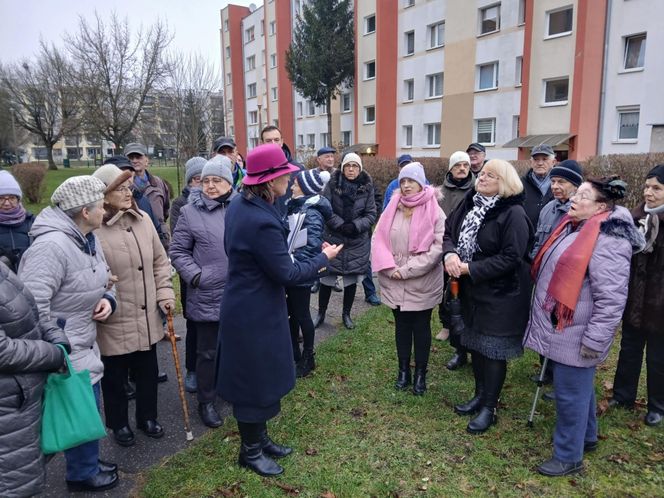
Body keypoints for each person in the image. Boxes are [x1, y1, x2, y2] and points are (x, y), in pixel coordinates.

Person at [216, 143, 341, 477]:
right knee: (252, 381)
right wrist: (322, 260)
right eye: (285, 174)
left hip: (252, 304)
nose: (291, 179)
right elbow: (286, 273)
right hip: (252, 312)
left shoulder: (244, 205)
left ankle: (261, 439)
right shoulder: (258, 219)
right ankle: (250, 451)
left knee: (262, 376)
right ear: (270, 181)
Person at [524, 177, 644, 476]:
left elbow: (612, 297)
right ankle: (587, 437)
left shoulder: (608, 239)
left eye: (583, 196)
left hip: (578, 331)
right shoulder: (575, 225)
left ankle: (568, 457)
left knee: (570, 394)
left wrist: (595, 339)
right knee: (579, 390)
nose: (574, 199)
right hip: (564, 326)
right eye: (576, 194)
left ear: (601, 207)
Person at [19, 175, 119, 492]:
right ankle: (79, 474)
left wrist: (108, 300)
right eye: (101, 205)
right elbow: (30, 306)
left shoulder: (87, 239)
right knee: (76, 408)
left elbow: (105, 281)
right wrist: (56, 346)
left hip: (85, 340)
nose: (106, 209)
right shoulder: (50, 248)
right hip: (64, 348)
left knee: (88, 406)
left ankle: (86, 463)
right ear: (84, 211)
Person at [443, 159, 532, 434]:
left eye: (490, 176)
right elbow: (448, 231)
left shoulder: (513, 213)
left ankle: (489, 408)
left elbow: (512, 257)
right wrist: (450, 254)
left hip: (502, 293)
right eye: (482, 174)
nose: (481, 179)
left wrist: (470, 267)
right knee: (475, 344)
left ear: (504, 184)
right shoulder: (470, 203)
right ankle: (479, 395)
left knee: (492, 350)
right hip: (471, 289)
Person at [91, 164, 175, 448]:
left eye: (129, 187)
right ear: (103, 195)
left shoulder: (144, 221)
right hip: (115, 316)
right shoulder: (94, 230)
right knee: (114, 376)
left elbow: (160, 262)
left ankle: (147, 417)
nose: (128, 193)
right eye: (120, 188)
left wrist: (165, 293)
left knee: (147, 371)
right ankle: (119, 424)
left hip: (147, 312)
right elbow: (89, 271)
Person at [170, 156, 237, 428]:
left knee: (233, 347)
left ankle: (230, 389)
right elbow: (177, 251)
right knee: (207, 352)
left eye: (217, 180)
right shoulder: (189, 211)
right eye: (206, 180)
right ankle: (206, 402)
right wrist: (197, 276)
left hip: (237, 293)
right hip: (207, 292)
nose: (210, 185)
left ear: (229, 184)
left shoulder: (240, 208)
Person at [372, 162, 445, 395]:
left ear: (421, 183)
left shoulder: (435, 210)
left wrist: (406, 270)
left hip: (420, 281)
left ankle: (420, 373)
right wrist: (388, 266)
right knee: (401, 327)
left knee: (421, 327)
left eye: (410, 181)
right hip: (393, 278)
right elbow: (378, 238)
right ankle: (403, 370)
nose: (406, 186)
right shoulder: (392, 207)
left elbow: (437, 249)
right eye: (402, 181)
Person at [0, 261, 70, 497]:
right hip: (8, 408)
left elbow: (30, 312)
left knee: (29, 477)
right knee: (15, 485)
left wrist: (55, 334)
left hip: (21, 401)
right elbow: (2, 351)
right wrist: (54, 354)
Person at [611, 165, 664, 427]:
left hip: (660, 303)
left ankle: (658, 406)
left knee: (658, 357)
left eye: (656, 188)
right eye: (646, 187)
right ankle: (622, 396)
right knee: (629, 349)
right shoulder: (635, 219)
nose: (649, 193)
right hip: (636, 298)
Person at [315, 152, 377, 330]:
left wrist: (355, 226)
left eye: (355, 166)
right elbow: (325, 208)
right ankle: (321, 313)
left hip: (356, 240)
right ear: (342, 168)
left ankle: (346, 314)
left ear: (360, 168)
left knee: (351, 279)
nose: (351, 169)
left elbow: (371, 213)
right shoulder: (333, 183)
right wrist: (341, 225)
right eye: (348, 166)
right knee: (326, 278)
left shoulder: (367, 186)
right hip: (334, 238)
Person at [286, 167, 332, 378]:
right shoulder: (296, 206)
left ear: (304, 188)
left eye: (295, 184)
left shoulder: (311, 213)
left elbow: (310, 246)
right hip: (291, 268)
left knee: (302, 314)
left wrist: (295, 269)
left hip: (300, 272)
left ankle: (308, 356)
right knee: (291, 314)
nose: (292, 186)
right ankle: (294, 351)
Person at [170, 156, 206, 393]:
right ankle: (192, 369)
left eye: (205, 179)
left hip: (218, 278)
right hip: (193, 276)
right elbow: (180, 243)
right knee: (194, 324)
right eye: (196, 179)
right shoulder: (180, 205)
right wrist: (195, 273)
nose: (201, 184)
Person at [436, 151, 474, 364]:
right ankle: (446, 325)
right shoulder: (441, 191)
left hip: (468, 251)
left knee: (463, 293)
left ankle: (466, 339)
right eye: (458, 165)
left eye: (465, 165)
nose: (462, 168)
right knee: (446, 291)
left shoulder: (477, 190)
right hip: (445, 245)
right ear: (450, 168)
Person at [530, 159, 583, 259]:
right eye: (553, 181)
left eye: (561, 182)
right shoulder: (546, 209)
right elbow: (537, 243)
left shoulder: (584, 212)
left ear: (576, 186)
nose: (554, 186)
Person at [124, 143, 171, 249]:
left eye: (138, 157)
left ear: (146, 160)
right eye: (131, 157)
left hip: (159, 238)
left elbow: (166, 210)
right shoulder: (123, 186)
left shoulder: (159, 183)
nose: (134, 160)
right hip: (135, 239)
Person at [0, 170, 34, 272]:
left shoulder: (32, 222)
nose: (7, 203)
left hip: (30, 282)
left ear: (18, 199)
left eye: (12, 198)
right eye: (1, 198)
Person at [522, 144, 556, 228]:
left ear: (553, 162)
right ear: (531, 162)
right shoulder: (520, 184)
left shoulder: (560, 184)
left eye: (545, 159)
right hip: (526, 235)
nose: (540, 163)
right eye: (536, 159)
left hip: (551, 235)